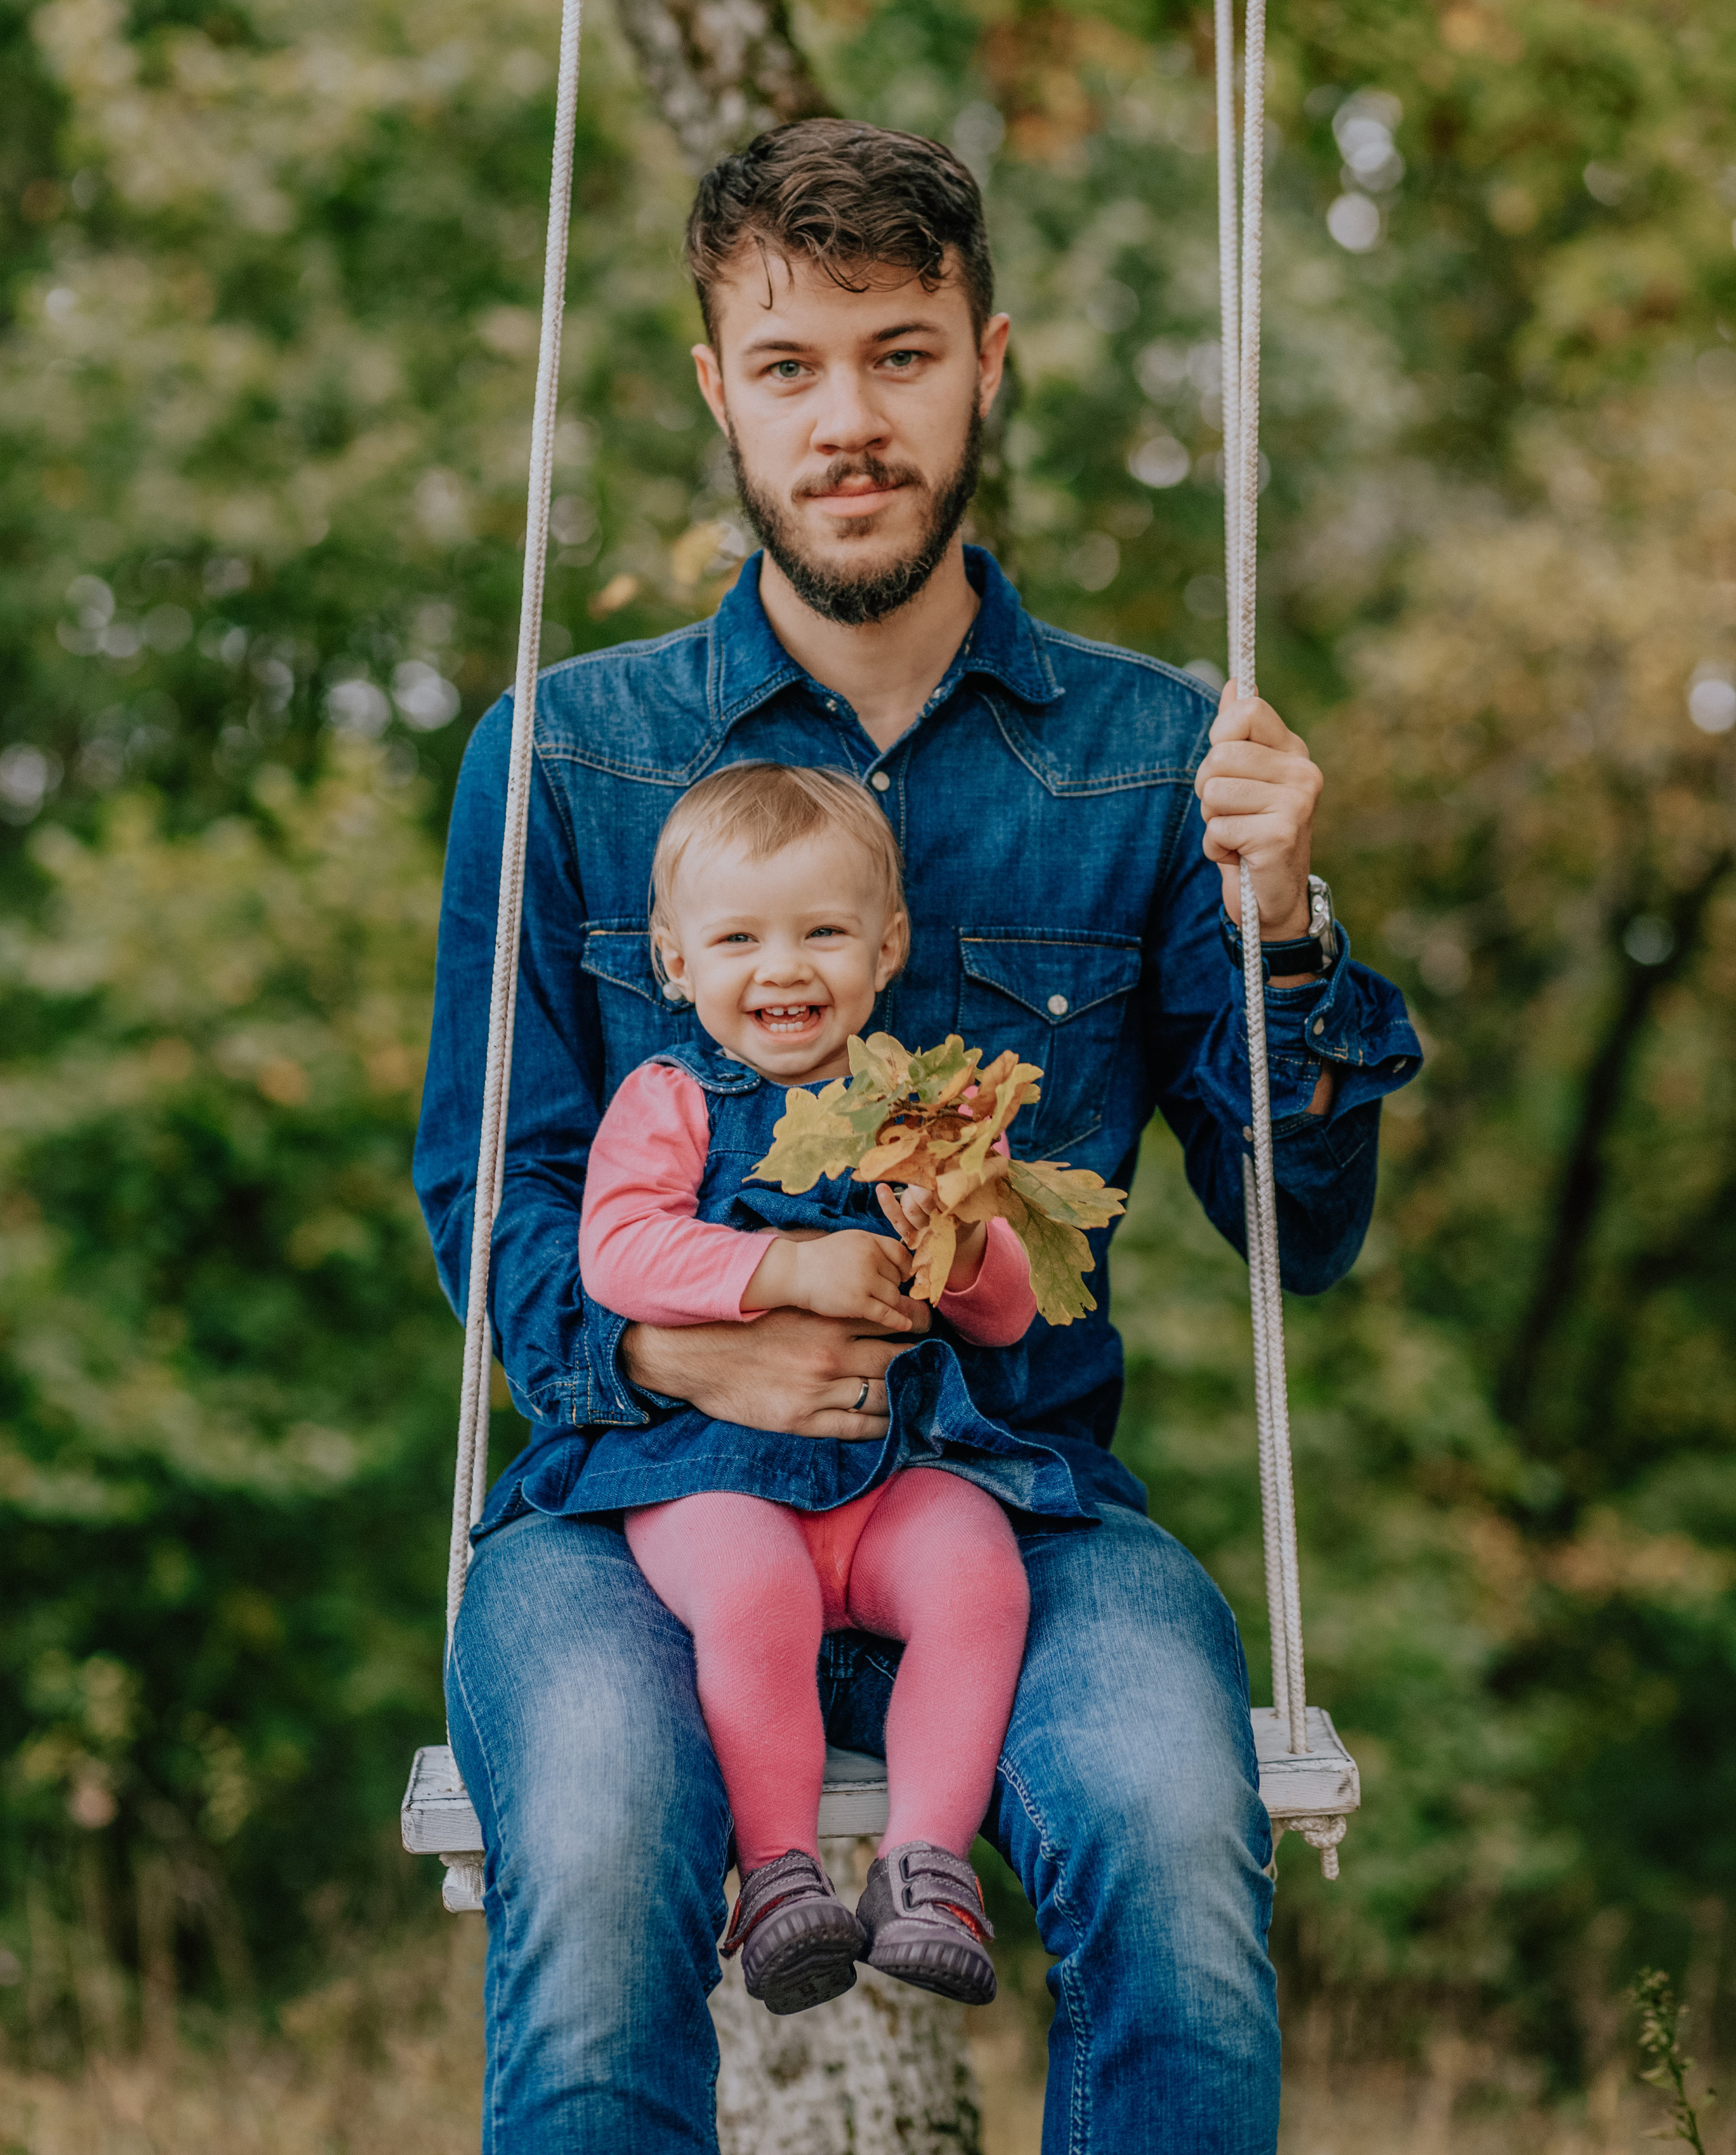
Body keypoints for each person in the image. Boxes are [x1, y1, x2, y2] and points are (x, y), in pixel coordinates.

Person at [415, 117, 1422, 2154]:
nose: (846, 417)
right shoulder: (569, 753)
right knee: (602, 1864)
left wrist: (1291, 923)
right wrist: (672, 1341)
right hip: (634, 1507)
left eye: (899, 351)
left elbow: (1295, 1228)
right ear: (717, 389)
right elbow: (487, 1192)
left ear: (989, 360)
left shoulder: (1154, 755)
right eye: (789, 366)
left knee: (1167, 1836)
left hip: (1013, 1497)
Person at [580, 759, 1065, 2017]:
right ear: (675, 962)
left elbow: (1008, 1311)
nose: (782, 967)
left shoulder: (932, 1115)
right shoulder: (672, 1099)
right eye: (739, 936)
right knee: (751, 1596)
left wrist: (952, 1224)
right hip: (712, 1472)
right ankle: (781, 1871)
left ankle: (926, 1862)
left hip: (892, 1471)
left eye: (823, 931)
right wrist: (785, 1261)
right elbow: (618, 1250)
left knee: (979, 1576)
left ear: (887, 946)